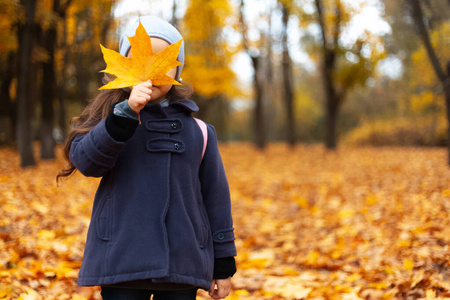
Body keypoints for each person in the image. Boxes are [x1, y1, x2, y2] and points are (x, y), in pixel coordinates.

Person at [57, 16, 237, 300]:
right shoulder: (109, 120)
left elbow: (216, 198)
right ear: (123, 68)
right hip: (121, 257)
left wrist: (223, 263)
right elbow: (87, 162)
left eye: (161, 61)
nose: (150, 69)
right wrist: (124, 117)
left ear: (177, 72)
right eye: (140, 59)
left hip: (182, 261)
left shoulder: (200, 132)